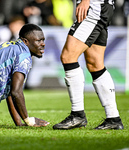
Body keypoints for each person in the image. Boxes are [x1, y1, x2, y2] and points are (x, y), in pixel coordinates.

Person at [53, 0, 124, 130]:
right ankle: (113, 118)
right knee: (95, 64)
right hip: (102, 7)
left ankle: (77, 115)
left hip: (94, 7)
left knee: (68, 57)